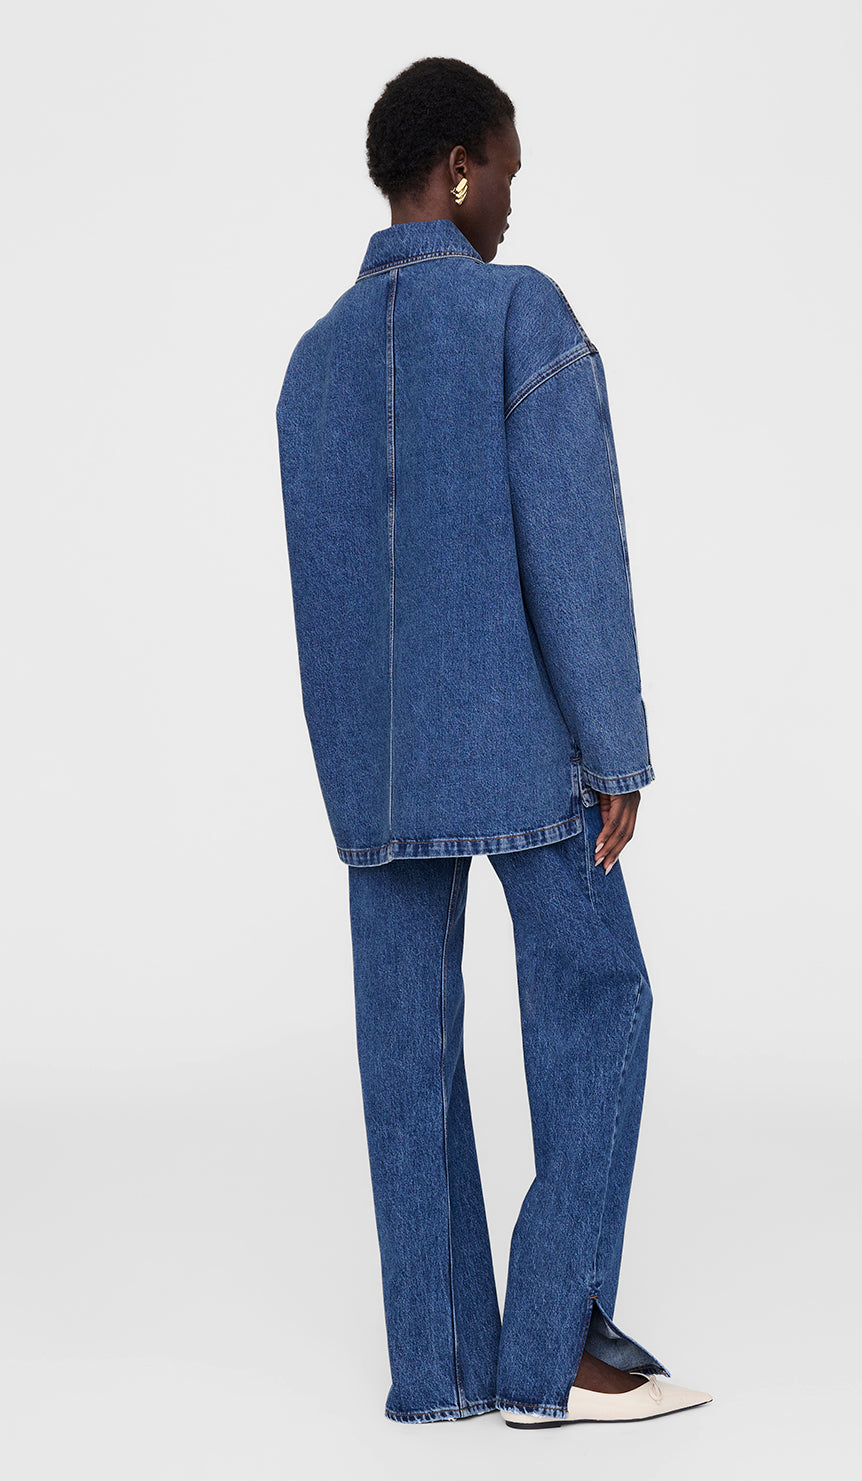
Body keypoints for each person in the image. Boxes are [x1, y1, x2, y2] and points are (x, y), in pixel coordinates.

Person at [275, 56, 712, 1429]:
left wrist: (353, 776)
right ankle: (553, 1351)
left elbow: (321, 595)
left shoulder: (312, 363)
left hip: (376, 769)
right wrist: (615, 750)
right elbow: (571, 551)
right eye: (506, 169)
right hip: (521, 740)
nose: (513, 201)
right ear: (458, 165)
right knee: (600, 994)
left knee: (405, 1051)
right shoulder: (521, 312)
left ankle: (440, 1368)